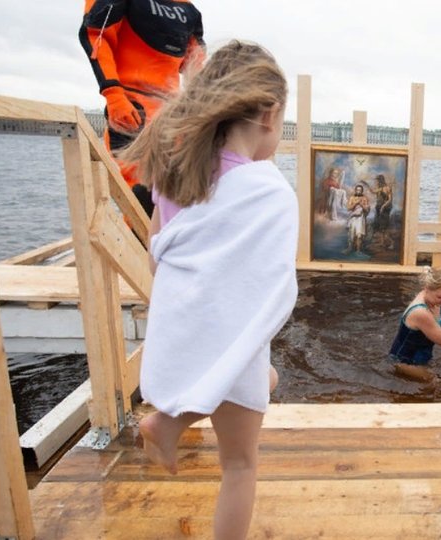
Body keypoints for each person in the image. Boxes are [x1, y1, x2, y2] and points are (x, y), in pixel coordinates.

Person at [120, 41, 295, 539]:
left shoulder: (176, 177)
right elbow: (271, 276)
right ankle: (169, 425)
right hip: (233, 331)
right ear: (268, 113)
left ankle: (173, 418)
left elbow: (160, 252)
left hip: (187, 325)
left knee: (269, 381)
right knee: (240, 467)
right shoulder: (267, 189)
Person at [79, 0, 205, 216]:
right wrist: (113, 94)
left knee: (176, 193)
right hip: (131, 108)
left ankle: (164, 243)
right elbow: (96, 35)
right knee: (138, 195)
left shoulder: (188, 9)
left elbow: (195, 62)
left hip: (171, 114)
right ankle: (138, 241)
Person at [370, 174, 394, 250]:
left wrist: (383, 206)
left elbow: (390, 200)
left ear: (380, 180)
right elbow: (373, 191)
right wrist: (366, 184)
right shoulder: (380, 189)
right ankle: (382, 243)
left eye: (377, 180)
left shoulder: (387, 188)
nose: (376, 182)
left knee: (384, 227)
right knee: (380, 228)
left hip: (385, 209)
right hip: (379, 208)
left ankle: (391, 243)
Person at [345, 184, 370, 254]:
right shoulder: (352, 198)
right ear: (355, 190)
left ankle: (358, 250)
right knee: (351, 234)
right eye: (357, 190)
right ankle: (349, 248)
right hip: (353, 218)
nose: (358, 191)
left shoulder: (365, 198)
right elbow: (348, 208)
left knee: (359, 234)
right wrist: (355, 203)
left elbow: (367, 210)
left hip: (361, 218)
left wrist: (361, 204)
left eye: (360, 190)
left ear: (362, 191)